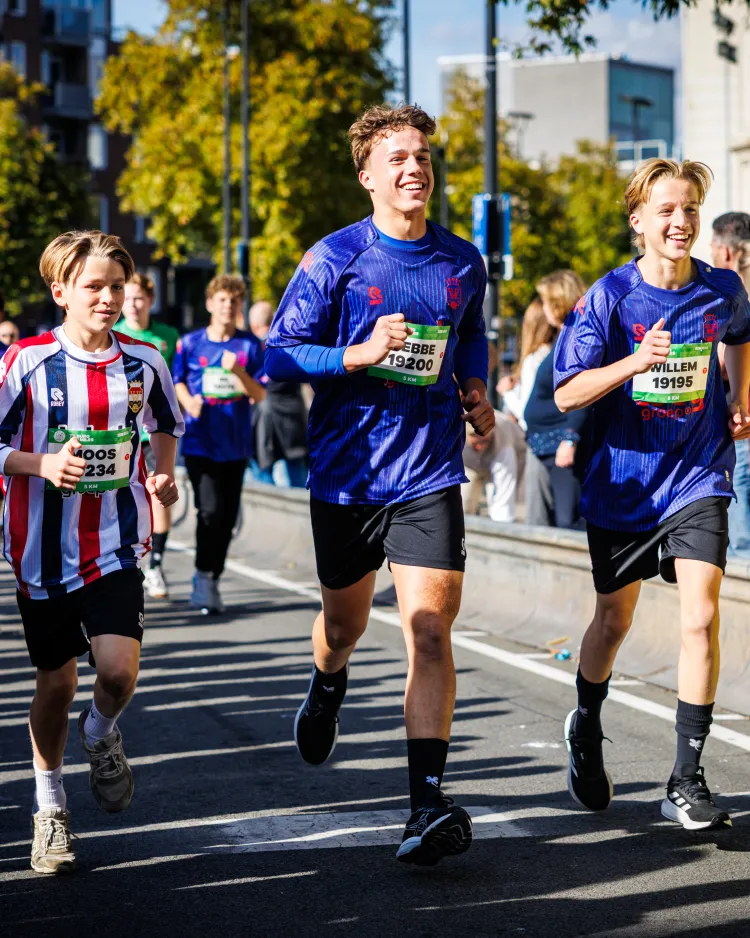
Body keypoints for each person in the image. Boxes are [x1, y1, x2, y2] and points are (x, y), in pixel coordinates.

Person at [265, 103, 493, 866]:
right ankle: (327, 682)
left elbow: (472, 333)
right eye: (397, 158)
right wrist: (355, 355)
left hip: (428, 471)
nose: (414, 168)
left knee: (429, 629)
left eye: (423, 155)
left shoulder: (463, 261)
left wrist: (475, 387)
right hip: (349, 473)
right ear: (367, 176)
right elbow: (280, 355)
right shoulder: (332, 259)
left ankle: (425, 806)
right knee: (344, 626)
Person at [554, 159, 750, 830]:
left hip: (699, 475)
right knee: (614, 621)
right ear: (638, 220)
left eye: (690, 208)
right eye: (667, 209)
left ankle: (686, 778)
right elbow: (565, 392)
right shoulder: (609, 298)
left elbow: (739, 338)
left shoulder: (722, 288)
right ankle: (585, 722)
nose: (681, 221)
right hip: (625, 484)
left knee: (701, 617)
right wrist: (634, 363)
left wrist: (738, 397)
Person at [0, 230, 182, 874]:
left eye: (116, 286)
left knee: (116, 673)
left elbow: (166, 424)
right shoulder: (24, 361)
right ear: (61, 293)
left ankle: (101, 733)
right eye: (94, 287)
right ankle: (49, 810)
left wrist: (162, 475)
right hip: (39, 551)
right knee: (55, 683)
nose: (109, 298)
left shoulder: (144, 361)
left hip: (114, 540)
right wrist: (40, 463)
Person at [172, 275, 265, 614]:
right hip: (200, 441)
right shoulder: (191, 343)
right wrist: (188, 401)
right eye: (222, 300)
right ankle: (201, 575)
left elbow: (260, 393)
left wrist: (239, 373)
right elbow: (177, 381)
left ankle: (212, 576)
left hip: (236, 444)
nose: (228, 307)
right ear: (210, 304)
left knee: (227, 518)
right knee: (209, 510)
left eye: (234, 302)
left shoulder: (250, 346)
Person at [115, 273, 181, 599]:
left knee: (159, 492)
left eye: (139, 298)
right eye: (127, 297)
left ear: (150, 301)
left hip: (154, 432)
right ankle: (123, 559)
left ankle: (155, 565)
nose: (133, 304)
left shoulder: (166, 336)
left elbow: (174, 384)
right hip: (122, 431)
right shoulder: (112, 334)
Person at [523, 271, 588, 528]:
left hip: (560, 445)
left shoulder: (576, 338)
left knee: (568, 520)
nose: (545, 309)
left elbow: (581, 393)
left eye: (547, 302)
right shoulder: (565, 337)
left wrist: (569, 439)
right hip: (548, 445)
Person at [710, 212, 750, 557]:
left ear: (725, 252)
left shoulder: (727, 294)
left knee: (740, 484)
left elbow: (723, 361)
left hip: (742, 415)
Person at [249, 300, 309, 488]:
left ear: (254, 325)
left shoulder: (255, 349)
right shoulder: (290, 344)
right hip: (294, 429)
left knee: (267, 489)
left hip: (266, 431)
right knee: (297, 490)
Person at [462, 414, 525, 522]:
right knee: (463, 504)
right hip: (470, 464)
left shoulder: (505, 443)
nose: (480, 446)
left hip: (503, 458)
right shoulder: (453, 436)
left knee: (498, 508)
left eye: (484, 441)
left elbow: (504, 498)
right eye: (476, 442)